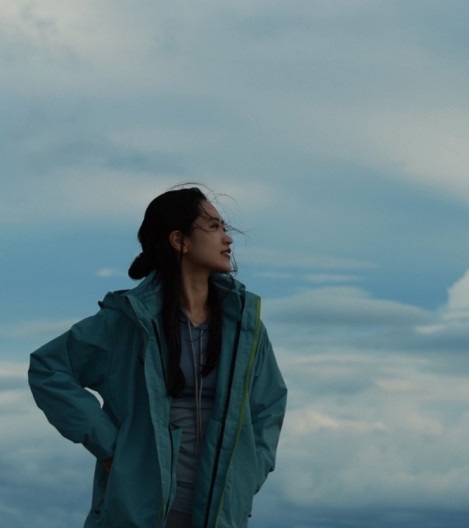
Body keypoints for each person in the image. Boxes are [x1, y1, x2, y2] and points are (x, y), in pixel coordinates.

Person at [28, 186, 287, 528]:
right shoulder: (127, 322)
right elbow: (48, 368)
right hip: (135, 514)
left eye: (224, 228)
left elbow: (269, 405)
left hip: (219, 517)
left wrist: (249, 472)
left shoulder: (244, 327)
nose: (227, 239)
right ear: (180, 240)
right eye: (213, 227)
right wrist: (110, 447)